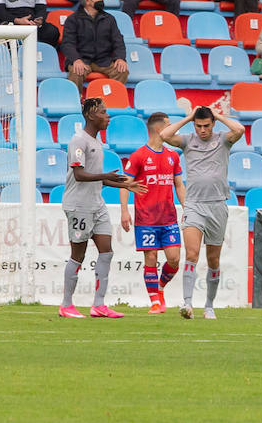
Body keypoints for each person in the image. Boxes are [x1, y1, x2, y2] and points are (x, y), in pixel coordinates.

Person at [58, 98, 147, 319]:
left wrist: (126, 184)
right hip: (79, 206)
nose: (108, 116)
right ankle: (66, 305)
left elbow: (98, 180)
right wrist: (106, 175)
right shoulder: (79, 141)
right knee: (77, 255)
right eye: (103, 113)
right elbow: (79, 175)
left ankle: (99, 305)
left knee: (106, 252)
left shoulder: (97, 142)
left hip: (97, 205)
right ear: (90, 115)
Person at [160, 104, 244, 320]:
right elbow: (164, 134)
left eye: (206, 126)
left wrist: (217, 115)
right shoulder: (188, 140)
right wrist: (189, 117)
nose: (202, 130)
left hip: (217, 205)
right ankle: (187, 304)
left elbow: (240, 130)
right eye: (198, 126)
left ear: (213, 124)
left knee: (213, 259)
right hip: (194, 204)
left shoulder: (223, 139)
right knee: (192, 253)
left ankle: (209, 305)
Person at [121, 113, 186, 313]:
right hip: (146, 218)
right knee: (150, 258)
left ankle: (160, 287)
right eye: (169, 126)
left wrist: (187, 207)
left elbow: (178, 185)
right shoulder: (139, 156)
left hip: (168, 218)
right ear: (159, 130)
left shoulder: (173, 156)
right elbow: (125, 184)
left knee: (174, 258)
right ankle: (155, 301)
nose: (173, 129)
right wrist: (124, 211)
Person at [61, 0, 128, 89]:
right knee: (76, 71)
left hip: (104, 60)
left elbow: (118, 41)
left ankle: (109, 101)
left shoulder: (109, 19)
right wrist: (76, 59)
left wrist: (120, 58)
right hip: (82, 60)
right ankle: (78, 102)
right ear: (88, 1)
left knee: (122, 71)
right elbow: (67, 44)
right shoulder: (72, 19)